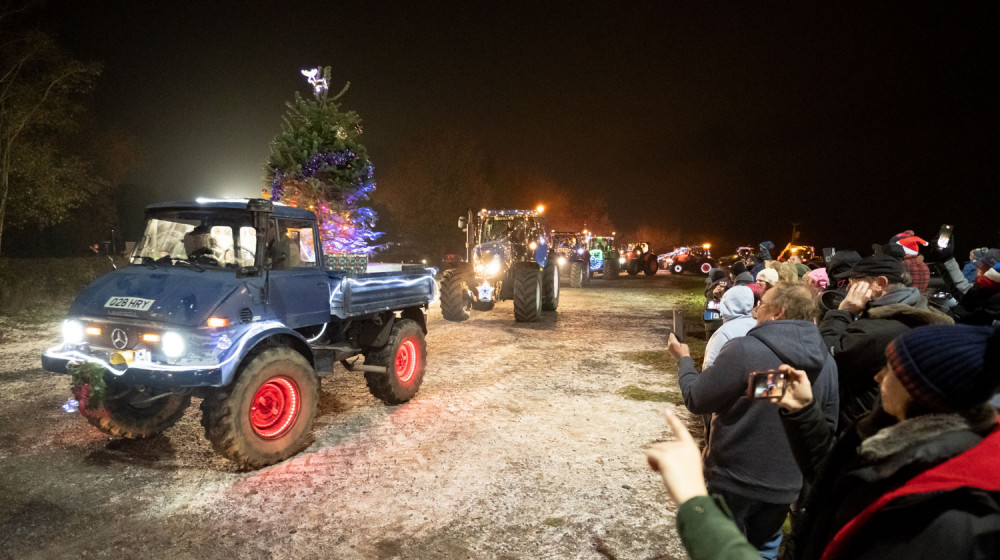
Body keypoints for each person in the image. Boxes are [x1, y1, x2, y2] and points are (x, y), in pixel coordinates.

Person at [647, 324, 1000, 560]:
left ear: (921, 391)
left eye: (891, 369)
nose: (878, 376)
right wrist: (801, 411)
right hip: (781, 492)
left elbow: (699, 398)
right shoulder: (909, 441)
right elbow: (840, 482)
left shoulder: (945, 518)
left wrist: (694, 500)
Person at [667, 284, 839, 558]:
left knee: (718, 548)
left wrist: (684, 360)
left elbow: (697, 399)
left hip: (733, 478)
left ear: (778, 312)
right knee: (765, 549)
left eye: (763, 304)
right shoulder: (827, 362)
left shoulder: (744, 350)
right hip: (785, 486)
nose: (756, 309)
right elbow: (826, 422)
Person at [819, 252, 952, 428]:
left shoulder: (879, 328)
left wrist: (842, 312)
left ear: (880, 283)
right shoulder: (916, 310)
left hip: (867, 424)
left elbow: (826, 355)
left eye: (854, 280)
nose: (849, 286)